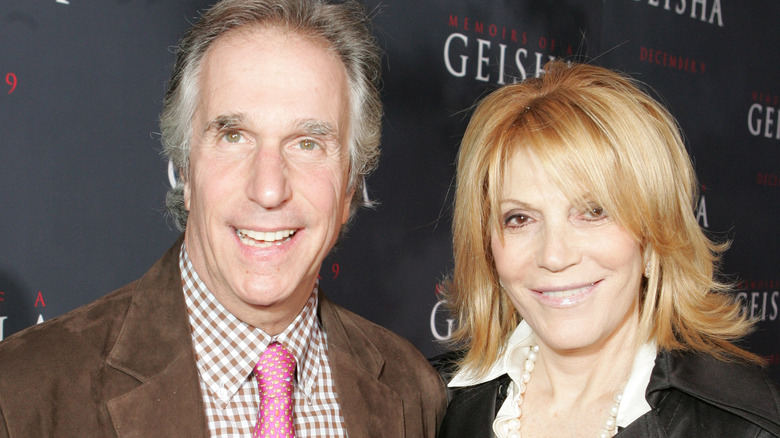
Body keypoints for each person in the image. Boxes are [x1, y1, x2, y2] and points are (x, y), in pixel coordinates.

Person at [0, 0, 446, 436]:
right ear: (186, 168)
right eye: (234, 136)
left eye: (307, 143)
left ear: (350, 185)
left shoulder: (413, 392)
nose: (268, 189)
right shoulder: (24, 396)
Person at [432, 61, 780, 438]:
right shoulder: (428, 404)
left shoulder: (745, 428)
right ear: (486, 246)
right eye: (519, 219)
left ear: (653, 234)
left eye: (593, 212)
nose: (554, 255)